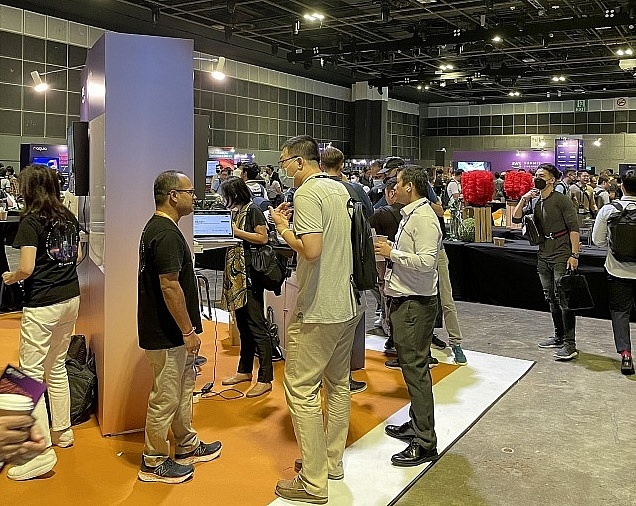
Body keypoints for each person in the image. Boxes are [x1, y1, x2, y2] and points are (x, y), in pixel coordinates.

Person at [270, 135, 361, 505]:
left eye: (284, 162)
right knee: (338, 385)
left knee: (301, 389)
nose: (283, 169)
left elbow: (311, 250)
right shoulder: (340, 189)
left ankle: (312, 481)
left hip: (319, 308)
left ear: (299, 162)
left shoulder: (307, 193)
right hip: (347, 303)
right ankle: (330, 464)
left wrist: (282, 228)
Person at [137, 170, 221, 484]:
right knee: (166, 396)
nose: (194, 197)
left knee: (182, 390)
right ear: (173, 196)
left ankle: (186, 444)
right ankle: (154, 461)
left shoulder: (161, 229)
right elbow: (169, 286)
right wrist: (187, 331)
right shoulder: (165, 234)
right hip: (167, 332)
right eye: (189, 191)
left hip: (170, 331)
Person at [1, 164, 81, 480]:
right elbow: (75, 257)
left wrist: (12, 277)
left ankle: (39, 451)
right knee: (56, 366)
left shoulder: (31, 221)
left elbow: (26, 267)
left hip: (43, 302)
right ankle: (63, 431)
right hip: (70, 298)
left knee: (29, 375)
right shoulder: (68, 217)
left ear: (28, 189)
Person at [374, 165, 442, 467]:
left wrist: (392, 254)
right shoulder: (412, 215)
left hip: (415, 303)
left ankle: (425, 442)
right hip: (407, 300)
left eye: (398, 184)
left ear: (410, 187)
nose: (393, 189)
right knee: (413, 368)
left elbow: (426, 262)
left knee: (415, 370)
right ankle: (417, 425)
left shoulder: (423, 219)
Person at [512, 163, 581, 361]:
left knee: (563, 298)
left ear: (552, 180)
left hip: (561, 254)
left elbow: (574, 228)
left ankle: (570, 344)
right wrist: (524, 199)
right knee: (550, 297)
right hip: (543, 254)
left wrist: (574, 255)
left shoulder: (562, 200)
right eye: (536, 175)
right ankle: (559, 336)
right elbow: (516, 219)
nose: (537, 178)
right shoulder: (535, 200)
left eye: (541, 175)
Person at [319, 145, 370, 394]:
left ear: (321, 165)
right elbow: (368, 214)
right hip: (352, 260)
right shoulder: (355, 189)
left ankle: (325, 377)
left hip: (322, 261)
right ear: (342, 165)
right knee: (351, 318)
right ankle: (342, 377)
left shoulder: (314, 189)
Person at [219, 177, 273, 398]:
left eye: (225, 194)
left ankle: (265, 378)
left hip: (250, 276)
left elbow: (262, 238)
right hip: (238, 277)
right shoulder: (238, 211)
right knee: (243, 327)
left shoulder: (253, 210)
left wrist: (236, 232)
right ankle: (244, 370)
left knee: (257, 327)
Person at [592, 170, 636, 375]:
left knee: (620, 313)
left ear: (622, 187)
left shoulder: (609, 209)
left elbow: (597, 241)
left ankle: (626, 355)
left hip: (617, 270)